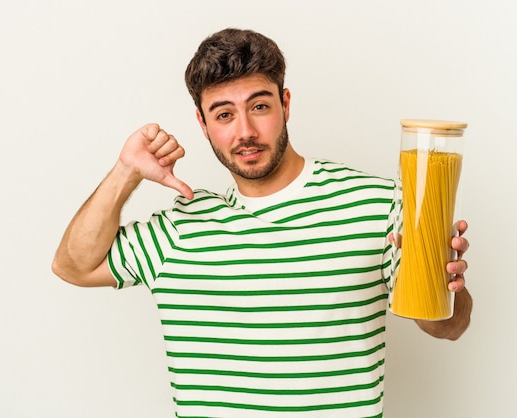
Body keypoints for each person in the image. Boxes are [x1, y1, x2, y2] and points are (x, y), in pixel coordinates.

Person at [52, 28, 472, 417]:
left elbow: (447, 326)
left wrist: (448, 286)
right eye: (223, 115)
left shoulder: (377, 204)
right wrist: (126, 170)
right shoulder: (179, 229)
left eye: (259, 106)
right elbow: (74, 265)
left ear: (285, 104)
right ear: (203, 124)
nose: (246, 131)